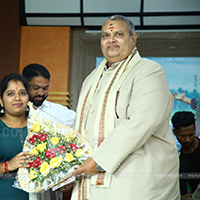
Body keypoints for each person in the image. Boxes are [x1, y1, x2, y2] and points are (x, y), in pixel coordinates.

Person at [64, 15, 180, 200]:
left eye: (118, 34)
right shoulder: (92, 79)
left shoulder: (149, 71)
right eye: (105, 36)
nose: (111, 40)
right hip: (92, 178)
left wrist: (98, 161)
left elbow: (142, 121)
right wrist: (71, 166)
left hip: (136, 180)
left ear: (133, 39)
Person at [0, 64, 76, 200]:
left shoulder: (43, 127)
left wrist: (61, 178)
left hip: (39, 194)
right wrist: (8, 165)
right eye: (11, 94)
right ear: (1, 100)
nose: (17, 98)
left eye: (22, 93)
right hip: (0, 193)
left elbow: (52, 159)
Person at [172, 111, 200, 200]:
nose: (187, 139)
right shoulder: (178, 162)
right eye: (183, 136)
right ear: (175, 132)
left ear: (195, 130)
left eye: (191, 135)